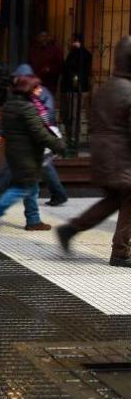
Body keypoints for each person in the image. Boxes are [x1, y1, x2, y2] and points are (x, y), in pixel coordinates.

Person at [57, 36, 131, 268]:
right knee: (128, 201)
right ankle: (120, 252)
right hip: (122, 158)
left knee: (113, 200)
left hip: (102, 156)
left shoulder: (105, 88)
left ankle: (70, 229)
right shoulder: (129, 91)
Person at [0, 74, 65, 234]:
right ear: (29, 89)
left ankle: (33, 220)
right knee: (21, 188)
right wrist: (58, 145)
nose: (40, 90)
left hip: (15, 153)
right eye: (37, 87)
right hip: (27, 156)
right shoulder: (28, 108)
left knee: (31, 187)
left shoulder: (10, 105)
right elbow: (39, 133)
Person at [61, 33, 93, 149]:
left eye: (71, 40)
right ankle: (71, 138)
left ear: (76, 41)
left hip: (75, 89)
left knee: (73, 115)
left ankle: (74, 140)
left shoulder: (80, 53)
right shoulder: (75, 53)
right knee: (69, 115)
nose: (68, 42)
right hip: (72, 88)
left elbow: (74, 71)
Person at [28, 30, 64, 95]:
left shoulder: (55, 50)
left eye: (45, 37)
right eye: (41, 37)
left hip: (49, 83)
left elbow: (60, 65)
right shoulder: (34, 50)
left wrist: (49, 69)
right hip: (36, 81)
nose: (43, 39)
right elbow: (30, 63)